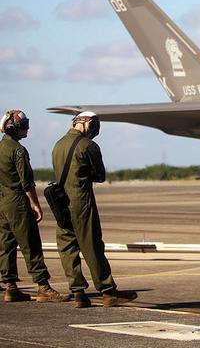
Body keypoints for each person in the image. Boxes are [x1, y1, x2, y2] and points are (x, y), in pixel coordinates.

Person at [52, 112, 137, 308]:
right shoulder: (88, 146)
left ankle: (78, 293)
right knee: (92, 246)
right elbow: (100, 175)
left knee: (67, 247)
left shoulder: (58, 145)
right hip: (81, 201)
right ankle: (107, 291)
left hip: (60, 202)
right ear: (87, 124)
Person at [0, 110, 67, 303]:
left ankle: (10, 287)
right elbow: (27, 183)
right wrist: (36, 205)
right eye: (24, 124)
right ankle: (43, 287)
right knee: (31, 244)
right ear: (13, 127)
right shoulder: (18, 150)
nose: (27, 127)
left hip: (2, 203)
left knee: (6, 245)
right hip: (17, 203)